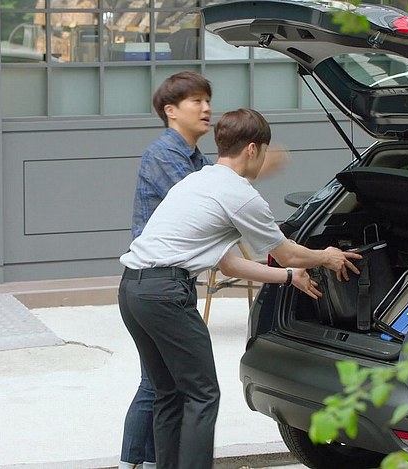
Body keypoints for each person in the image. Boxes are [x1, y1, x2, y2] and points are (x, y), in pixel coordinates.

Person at [118, 108, 362, 469]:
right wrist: (326, 256)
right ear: (252, 149)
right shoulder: (240, 195)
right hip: (165, 294)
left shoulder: (198, 182)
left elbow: (229, 264)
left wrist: (289, 277)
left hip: (132, 291)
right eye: (263, 152)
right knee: (202, 394)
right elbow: (287, 252)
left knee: (169, 393)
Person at [120, 70, 215, 469]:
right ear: (171, 110)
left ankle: (143, 462)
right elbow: (205, 203)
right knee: (163, 386)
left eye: (208, 100)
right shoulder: (163, 154)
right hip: (157, 283)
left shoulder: (197, 158)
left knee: (162, 386)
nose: (207, 108)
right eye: (197, 101)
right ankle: (135, 462)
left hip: (169, 283)